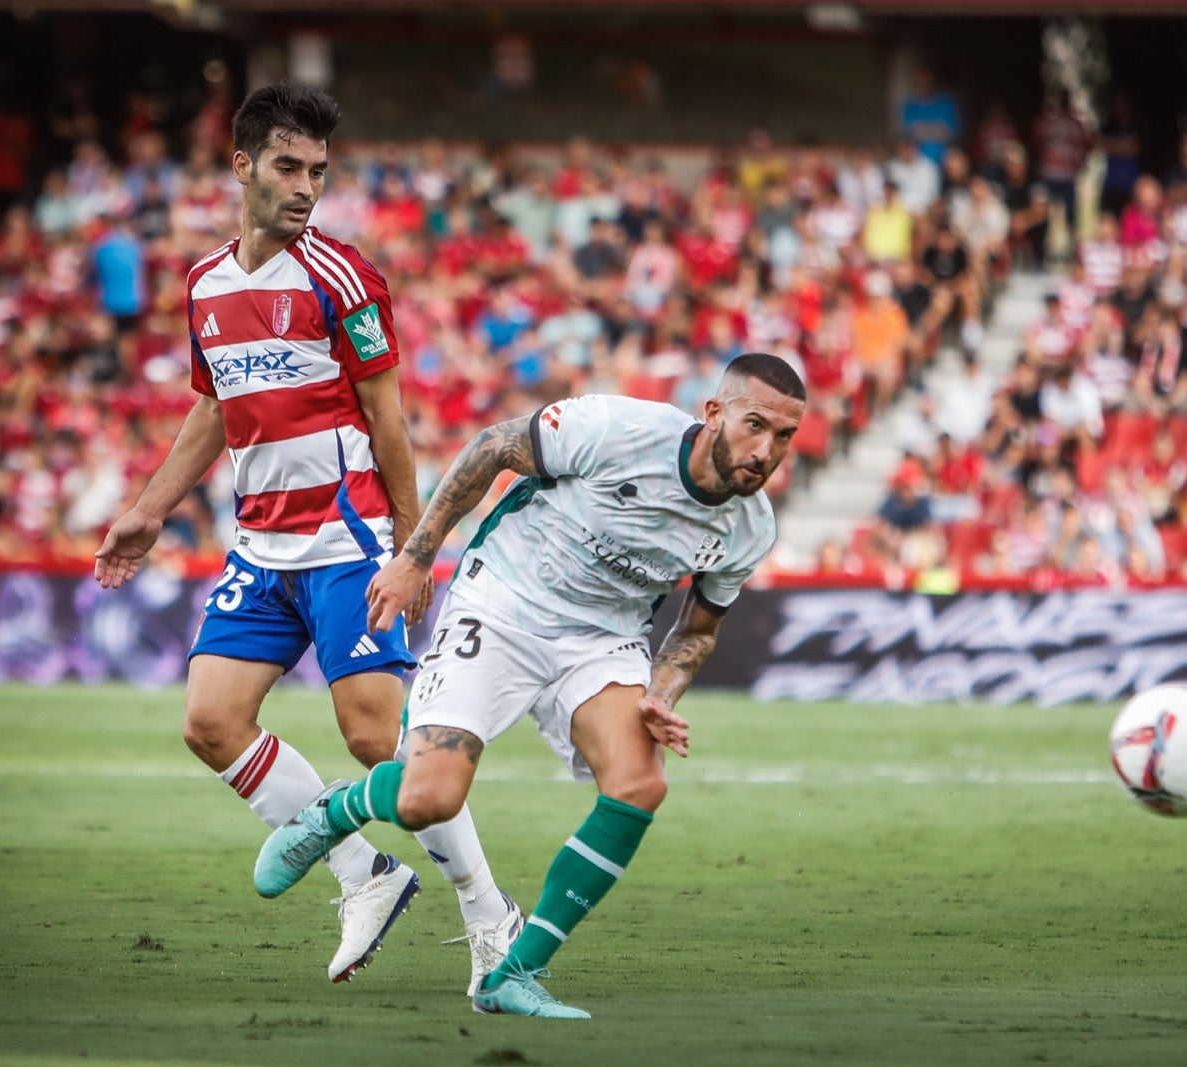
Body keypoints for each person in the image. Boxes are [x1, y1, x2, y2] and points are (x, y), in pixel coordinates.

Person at [92, 81, 521, 990]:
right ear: (243, 165)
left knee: (376, 740)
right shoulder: (206, 285)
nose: (305, 186)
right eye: (288, 166)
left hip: (347, 535)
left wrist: (413, 548)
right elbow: (215, 407)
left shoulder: (344, 277)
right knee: (211, 722)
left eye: (318, 171)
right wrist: (151, 506)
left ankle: (492, 914)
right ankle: (363, 870)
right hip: (260, 545)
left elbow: (389, 419)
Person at [253, 353, 808, 1018]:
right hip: (504, 601)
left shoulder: (751, 527)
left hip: (602, 642)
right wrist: (414, 558)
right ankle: (331, 814)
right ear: (713, 412)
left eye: (783, 437)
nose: (766, 450)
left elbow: (698, 628)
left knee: (641, 781)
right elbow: (492, 448)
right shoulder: (616, 428)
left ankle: (512, 971)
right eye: (756, 425)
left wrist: (661, 693)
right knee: (428, 797)